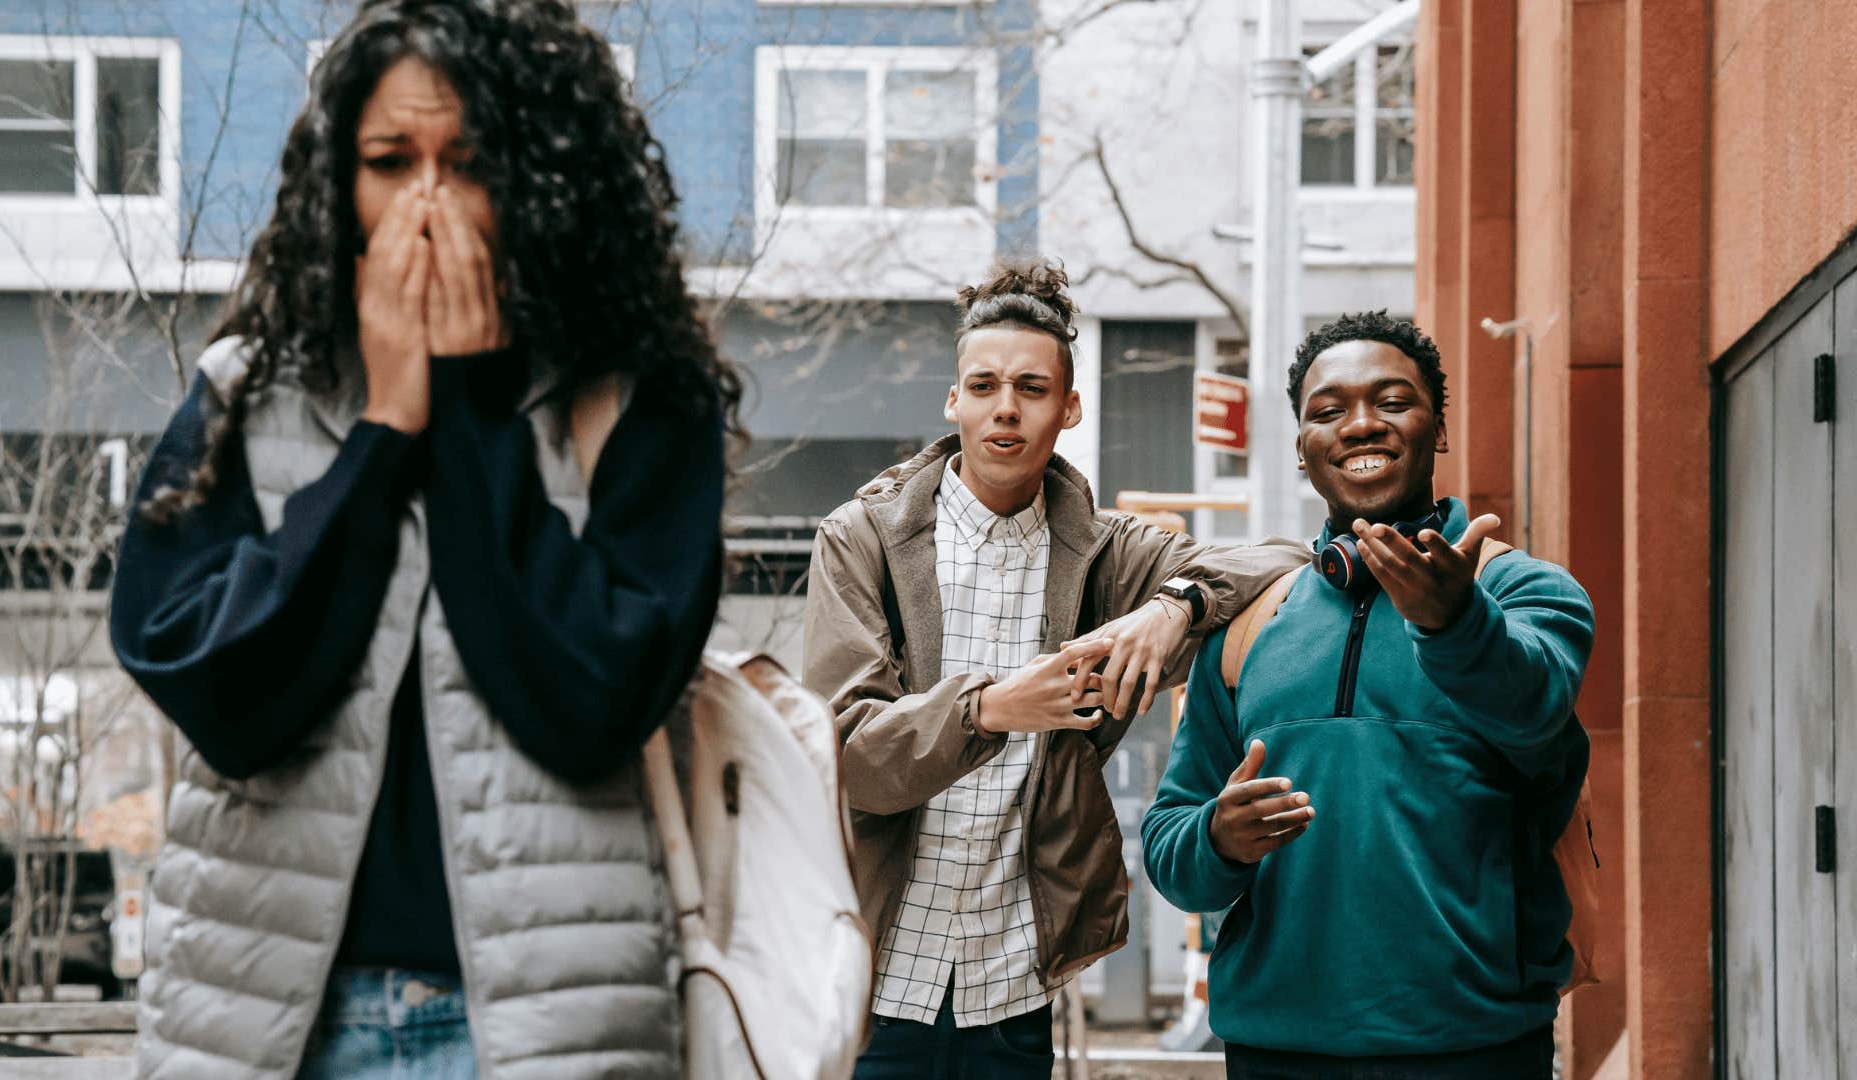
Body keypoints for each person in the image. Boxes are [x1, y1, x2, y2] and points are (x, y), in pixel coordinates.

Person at [107, 2, 739, 1076]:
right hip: (274, 1032)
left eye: (472, 160)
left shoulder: (640, 401)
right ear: (340, 188)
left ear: (543, 181)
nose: (430, 202)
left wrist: (471, 414)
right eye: (391, 161)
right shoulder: (243, 393)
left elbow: (589, 702)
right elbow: (216, 687)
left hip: (543, 1033)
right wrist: (384, 431)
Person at [801, 259, 1309, 1079]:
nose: (1006, 407)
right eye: (985, 384)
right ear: (953, 399)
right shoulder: (864, 538)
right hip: (872, 979)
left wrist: (1172, 604)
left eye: (1032, 389)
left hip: (1011, 990)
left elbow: (1288, 558)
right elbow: (849, 758)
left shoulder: (1106, 554)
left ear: (1069, 408)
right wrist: (989, 710)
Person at [1142, 311, 1595, 1078]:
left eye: (1391, 401)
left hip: (1473, 1049)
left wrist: (1456, 623)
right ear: (1301, 451)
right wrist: (1218, 838)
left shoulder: (1522, 590)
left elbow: (1535, 714)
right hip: (1274, 1051)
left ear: (1438, 429)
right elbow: (1169, 844)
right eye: (1328, 410)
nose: (1360, 426)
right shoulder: (1252, 622)